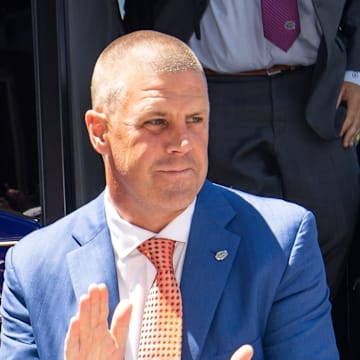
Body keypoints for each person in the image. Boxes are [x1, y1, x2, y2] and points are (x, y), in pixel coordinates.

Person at [0, 30, 338, 359]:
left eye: (196, 119)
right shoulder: (34, 268)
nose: (184, 143)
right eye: (157, 122)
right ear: (99, 132)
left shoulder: (279, 244)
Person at [123, 0, 360, 303]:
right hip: (215, 93)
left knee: (333, 227)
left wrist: (356, 72)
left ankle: (310, 338)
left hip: (316, 88)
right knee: (237, 243)